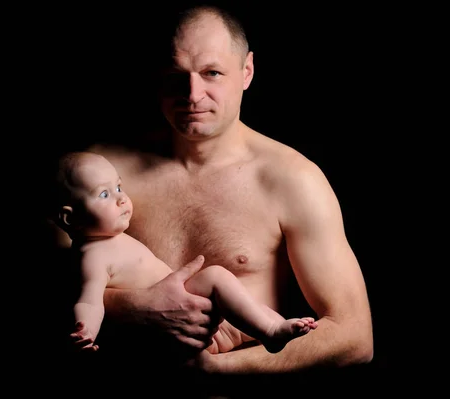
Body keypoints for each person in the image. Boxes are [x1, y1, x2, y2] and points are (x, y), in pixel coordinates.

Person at [45, 3, 373, 384]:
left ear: (246, 71)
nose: (192, 93)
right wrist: (129, 308)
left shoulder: (293, 180)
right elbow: (40, 290)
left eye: (212, 73)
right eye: (175, 75)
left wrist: (214, 371)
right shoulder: (100, 173)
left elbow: (354, 337)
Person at [52, 150, 317, 355]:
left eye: (119, 188)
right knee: (215, 277)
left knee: (248, 308)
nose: (121, 199)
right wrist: (85, 331)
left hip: (191, 319)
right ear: (69, 218)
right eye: (104, 195)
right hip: (169, 334)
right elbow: (89, 300)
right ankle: (270, 330)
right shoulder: (93, 257)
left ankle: (274, 326)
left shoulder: (111, 238)